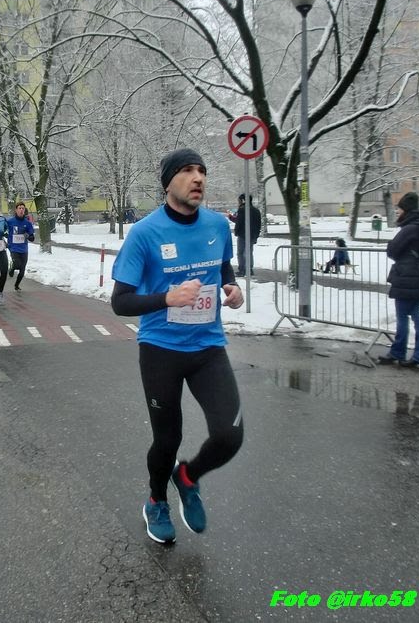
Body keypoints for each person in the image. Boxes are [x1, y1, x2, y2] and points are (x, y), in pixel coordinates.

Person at [110, 148, 245, 545]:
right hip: (161, 350)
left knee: (230, 435)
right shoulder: (144, 233)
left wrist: (232, 287)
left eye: (202, 170)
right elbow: (120, 302)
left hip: (208, 348)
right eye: (187, 171)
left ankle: (187, 476)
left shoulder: (217, 225)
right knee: (168, 439)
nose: (198, 178)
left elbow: (223, 266)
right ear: (168, 182)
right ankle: (156, 500)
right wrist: (167, 298)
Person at [377, 192, 419, 371]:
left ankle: (398, 352)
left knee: (402, 317)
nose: (397, 212)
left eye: (399, 209)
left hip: (407, 279)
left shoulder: (409, 229)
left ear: (406, 210)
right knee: (418, 317)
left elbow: (393, 250)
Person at [227, 193, 262, 276]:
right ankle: (250, 269)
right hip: (252, 235)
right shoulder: (256, 211)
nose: (238, 202)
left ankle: (242, 270)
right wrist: (256, 236)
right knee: (249, 252)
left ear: (243, 200)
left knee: (241, 252)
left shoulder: (242, 210)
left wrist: (231, 218)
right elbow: (258, 224)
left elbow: (239, 221)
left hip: (242, 235)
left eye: (239, 200)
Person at [6, 200, 36, 291]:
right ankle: (12, 267)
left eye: (23, 208)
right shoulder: (10, 221)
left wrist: (28, 236)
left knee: (22, 270)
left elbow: (32, 238)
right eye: (19, 208)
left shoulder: (27, 223)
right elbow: (3, 230)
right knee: (17, 264)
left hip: (24, 249)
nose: (21, 210)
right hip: (13, 248)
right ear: (16, 210)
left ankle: (17, 285)